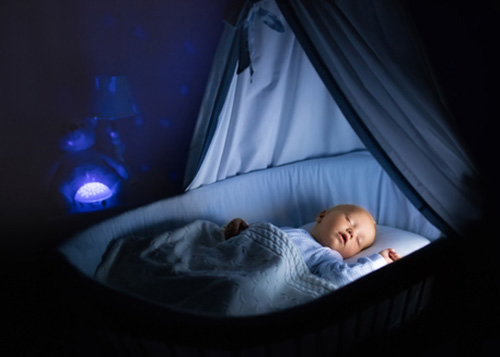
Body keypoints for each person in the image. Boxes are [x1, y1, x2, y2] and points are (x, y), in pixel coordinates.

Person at [224, 204, 401, 288]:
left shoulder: (327, 257)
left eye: (359, 241)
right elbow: (261, 237)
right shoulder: (291, 231)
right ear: (322, 215)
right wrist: (242, 228)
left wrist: (379, 261)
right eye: (349, 221)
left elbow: (342, 277)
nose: (351, 232)